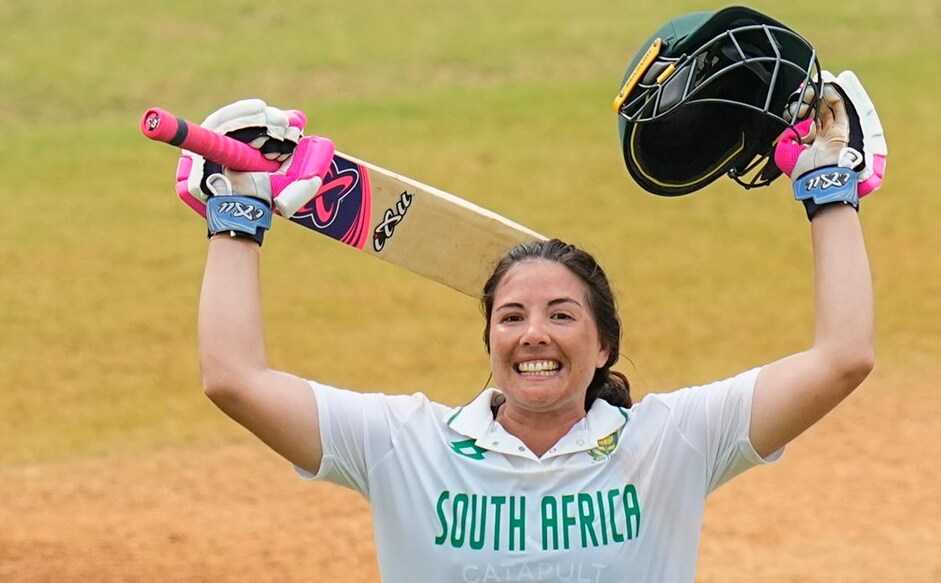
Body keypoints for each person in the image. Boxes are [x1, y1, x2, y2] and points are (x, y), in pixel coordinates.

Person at [180, 8, 886, 582]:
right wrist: (236, 219)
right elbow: (234, 379)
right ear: (488, 340)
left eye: (561, 313)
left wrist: (829, 192)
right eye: (511, 315)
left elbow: (842, 358)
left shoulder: (672, 443)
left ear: (604, 343)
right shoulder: (406, 445)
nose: (534, 333)